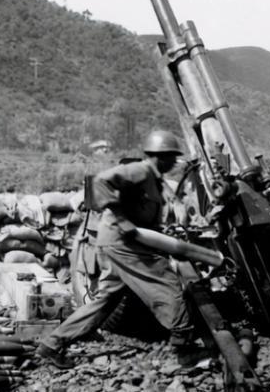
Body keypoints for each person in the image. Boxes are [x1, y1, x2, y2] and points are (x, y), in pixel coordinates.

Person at [36, 130, 195, 368]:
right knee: (166, 280)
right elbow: (101, 181)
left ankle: (51, 345)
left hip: (117, 243)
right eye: (171, 157)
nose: (174, 162)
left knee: (107, 300)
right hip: (122, 244)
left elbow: (143, 214)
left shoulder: (155, 179)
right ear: (159, 156)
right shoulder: (140, 170)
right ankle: (184, 344)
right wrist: (122, 220)